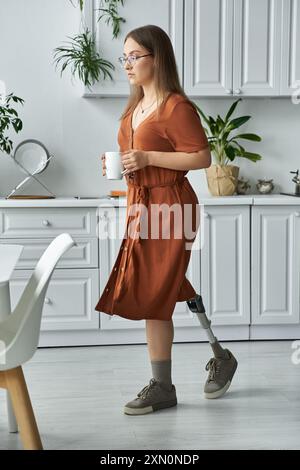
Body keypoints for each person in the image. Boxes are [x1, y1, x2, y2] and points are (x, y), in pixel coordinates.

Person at [95, 24, 237, 415]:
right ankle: (221, 356)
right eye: (124, 56)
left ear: (158, 59)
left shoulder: (176, 107)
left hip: (173, 207)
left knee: (157, 292)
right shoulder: (134, 107)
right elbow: (135, 155)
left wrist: (148, 159)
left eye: (134, 56)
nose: (127, 63)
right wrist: (120, 166)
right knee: (167, 283)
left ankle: (162, 385)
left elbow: (201, 157)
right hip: (141, 204)